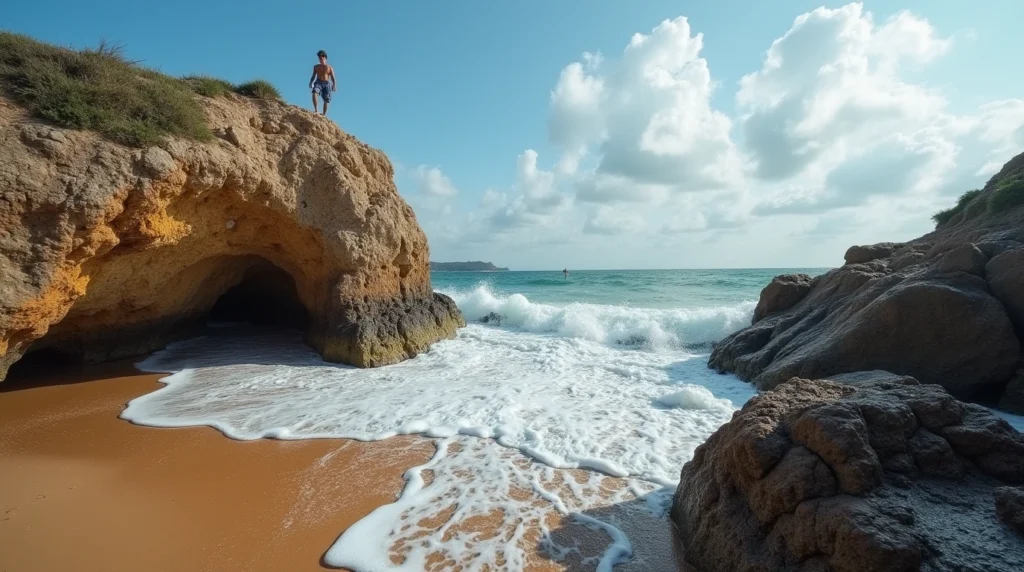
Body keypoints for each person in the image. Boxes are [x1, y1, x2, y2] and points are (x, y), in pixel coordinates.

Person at [309, 50, 337, 115]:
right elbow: (313, 76)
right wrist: (311, 82)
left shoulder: (329, 68)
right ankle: (316, 110)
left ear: (325, 57)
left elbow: (333, 78)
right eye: (319, 57)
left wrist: (334, 85)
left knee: (326, 99)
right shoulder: (316, 67)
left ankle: (324, 114)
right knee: (314, 92)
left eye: (322, 57)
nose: (320, 58)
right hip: (318, 82)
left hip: (327, 83)